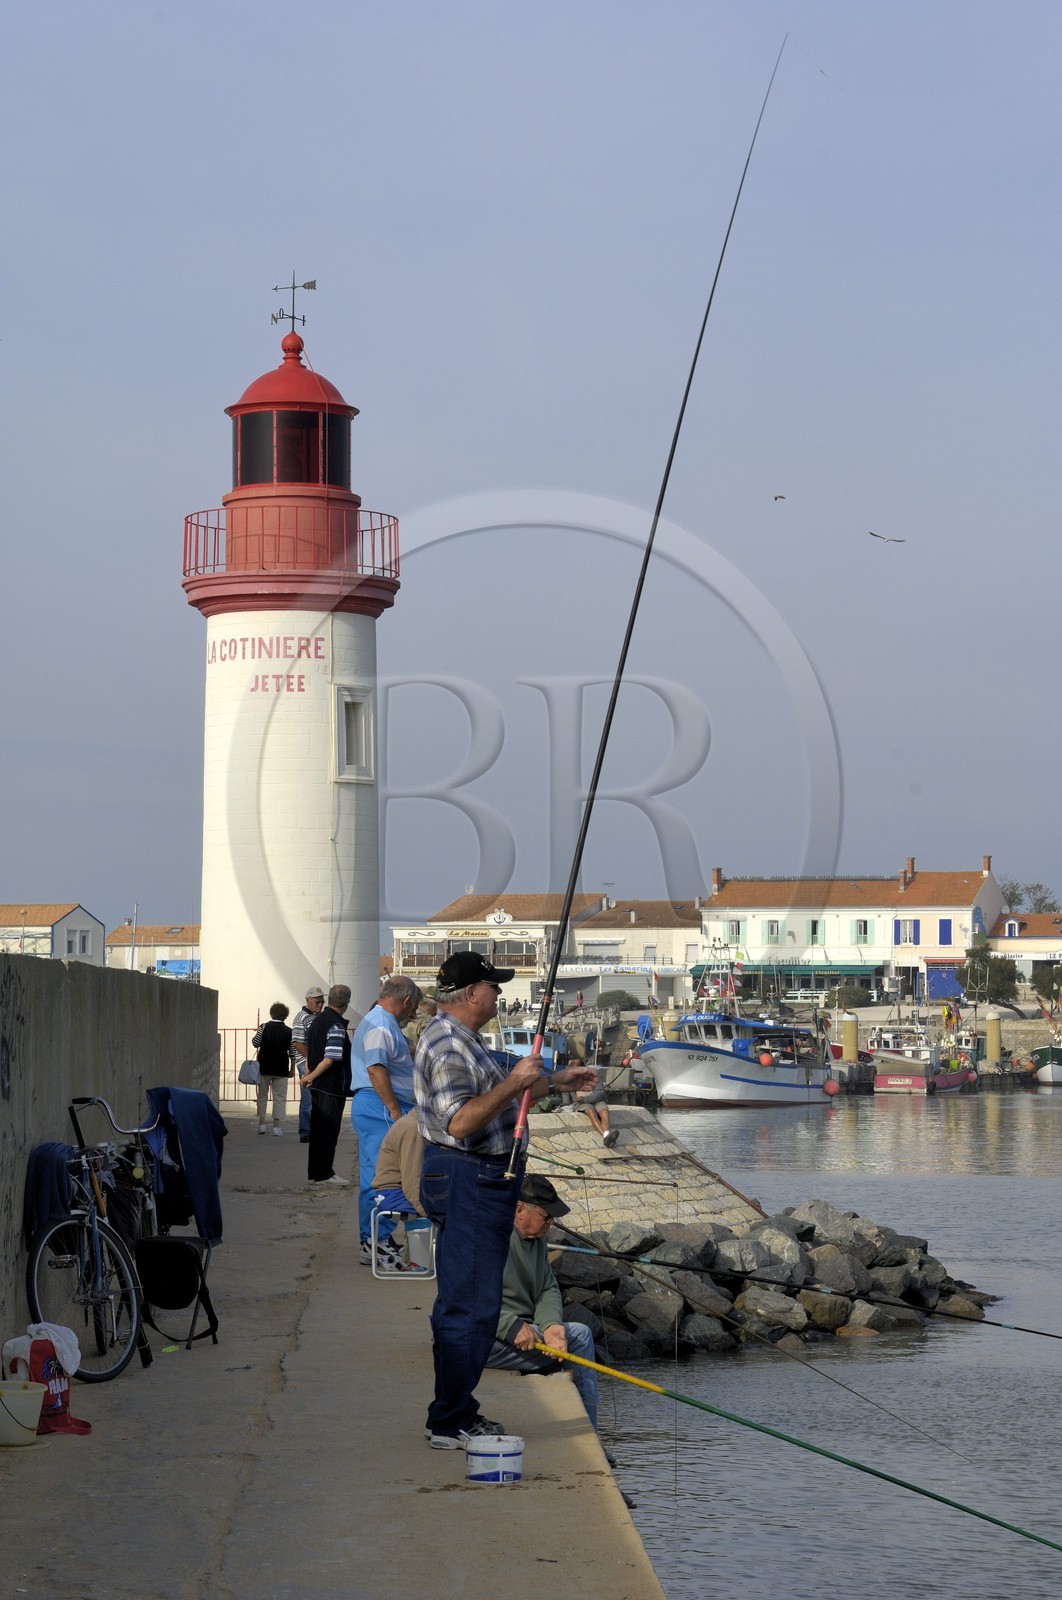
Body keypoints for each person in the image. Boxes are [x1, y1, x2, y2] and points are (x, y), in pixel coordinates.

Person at [415, 950, 598, 1449]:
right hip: (469, 1177)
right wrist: (516, 1082)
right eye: (493, 986)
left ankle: (456, 1411)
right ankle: (450, 1421)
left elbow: (501, 1094)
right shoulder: (449, 1044)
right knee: (471, 1305)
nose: (499, 994)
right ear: (471, 993)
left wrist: (554, 1082)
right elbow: (462, 1121)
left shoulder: (465, 1040)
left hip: (479, 1180)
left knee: (472, 1298)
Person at [485, 1173, 599, 1430]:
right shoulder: (491, 1238)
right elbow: (469, 1297)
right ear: (519, 1210)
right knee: (580, 1338)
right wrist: (510, 1326)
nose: (551, 1222)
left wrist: (551, 1325)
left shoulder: (536, 1241)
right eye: (546, 1216)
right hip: (482, 1336)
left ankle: (581, 1427)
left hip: (518, 1331)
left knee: (568, 1337)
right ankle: (590, 1433)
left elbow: (547, 1287)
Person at [350, 976, 422, 1267]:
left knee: (384, 1173)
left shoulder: (382, 1022)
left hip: (380, 1105)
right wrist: (394, 1110)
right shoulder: (381, 1024)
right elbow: (376, 1068)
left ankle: (378, 1238)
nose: (413, 1013)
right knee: (383, 1176)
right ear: (405, 1001)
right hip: (381, 1106)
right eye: (413, 1006)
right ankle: (375, 1240)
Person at [303, 984, 353, 1186]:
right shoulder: (335, 1025)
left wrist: (309, 1074)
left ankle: (317, 1172)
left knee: (317, 1130)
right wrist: (311, 1076)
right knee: (328, 1131)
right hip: (330, 1086)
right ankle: (324, 1173)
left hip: (318, 1084)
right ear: (347, 1003)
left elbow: (310, 1051)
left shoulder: (316, 1021)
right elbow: (330, 1058)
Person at [291, 986, 325, 1143]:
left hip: (314, 1062)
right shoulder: (302, 1017)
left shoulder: (316, 1017)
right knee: (308, 1097)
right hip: (306, 1062)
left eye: (322, 1002)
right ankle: (305, 1132)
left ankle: (314, 1130)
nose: (320, 1005)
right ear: (308, 1001)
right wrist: (310, 1060)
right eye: (317, 1002)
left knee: (315, 1097)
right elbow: (297, 1043)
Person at [255, 1002, 293, 1136]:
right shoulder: (289, 1031)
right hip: (281, 1067)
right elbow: (292, 1052)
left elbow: (255, 1043)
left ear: (271, 1013)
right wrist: (292, 1069)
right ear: (285, 1016)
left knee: (263, 1096)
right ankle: (276, 1127)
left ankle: (262, 1124)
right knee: (280, 1097)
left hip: (264, 1066)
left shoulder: (264, 1027)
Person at [571, 1063, 618, 1147]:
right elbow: (566, 1095)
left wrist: (585, 1099)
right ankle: (606, 1137)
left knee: (604, 1111)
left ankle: (606, 1135)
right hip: (581, 1103)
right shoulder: (570, 1079)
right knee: (591, 1111)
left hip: (597, 1100)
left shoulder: (595, 1075)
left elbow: (600, 1092)